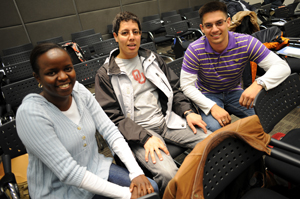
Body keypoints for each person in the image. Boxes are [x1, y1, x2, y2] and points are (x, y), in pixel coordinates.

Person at [16, 43, 158, 199]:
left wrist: (136, 172)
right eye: (52, 72)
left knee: (152, 188)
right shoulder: (31, 114)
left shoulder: (79, 91)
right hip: (59, 191)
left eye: (68, 68)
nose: (63, 76)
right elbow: (69, 172)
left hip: (96, 168)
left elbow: (110, 131)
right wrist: (126, 195)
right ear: (38, 78)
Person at [94, 11, 212, 195]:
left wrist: (188, 112)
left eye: (136, 32)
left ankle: (208, 187)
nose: (131, 37)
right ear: (116, 37)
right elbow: (112, 117)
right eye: (125, 33)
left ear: (141, 34)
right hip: (138, 134)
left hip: (167, 121)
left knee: (211, 143)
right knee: (169, 174)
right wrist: (144, 138)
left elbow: (174, 89)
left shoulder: (152, 58)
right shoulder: (106, 73)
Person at [180, 1, 291, 132]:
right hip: (207, 93)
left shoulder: (246, 42)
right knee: (214, 129)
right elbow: (186, 85)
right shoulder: (195, 49)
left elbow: (282, 67)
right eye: (208, 25)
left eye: (219, 23)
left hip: (234, 91)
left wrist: (258, 83)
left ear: (228, 22)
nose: (215, 29)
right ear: (202, 28)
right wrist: (212, 107)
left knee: (262, 119)